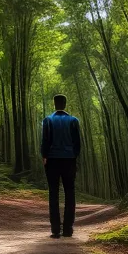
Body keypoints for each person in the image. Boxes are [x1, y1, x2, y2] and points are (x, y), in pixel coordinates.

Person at [41, 94, 81, 238]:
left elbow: (45, 140)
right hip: (69, 160)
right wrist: (73, 156)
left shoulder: (48, 120)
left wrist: (44, 156)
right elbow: (77, 143)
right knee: (70, 193)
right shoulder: (73, 121)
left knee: (53, 193)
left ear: (54, 104)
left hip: (52, 160)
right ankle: (68, 229)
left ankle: (55, 230)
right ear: (65, 104)